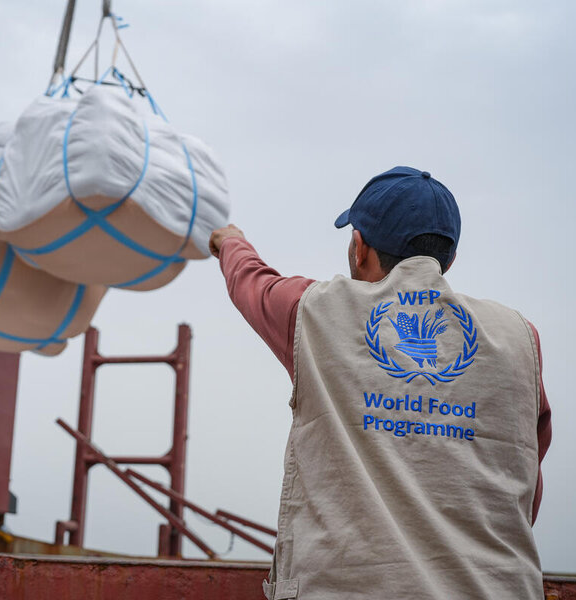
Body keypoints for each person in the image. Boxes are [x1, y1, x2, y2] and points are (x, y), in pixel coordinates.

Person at [209, 166, 552, 600]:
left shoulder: (314, 312)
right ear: (449, 260)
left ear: (359, 247)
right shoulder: (520, 338)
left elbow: (253, 283)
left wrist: (229, 242)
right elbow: (526, 482)